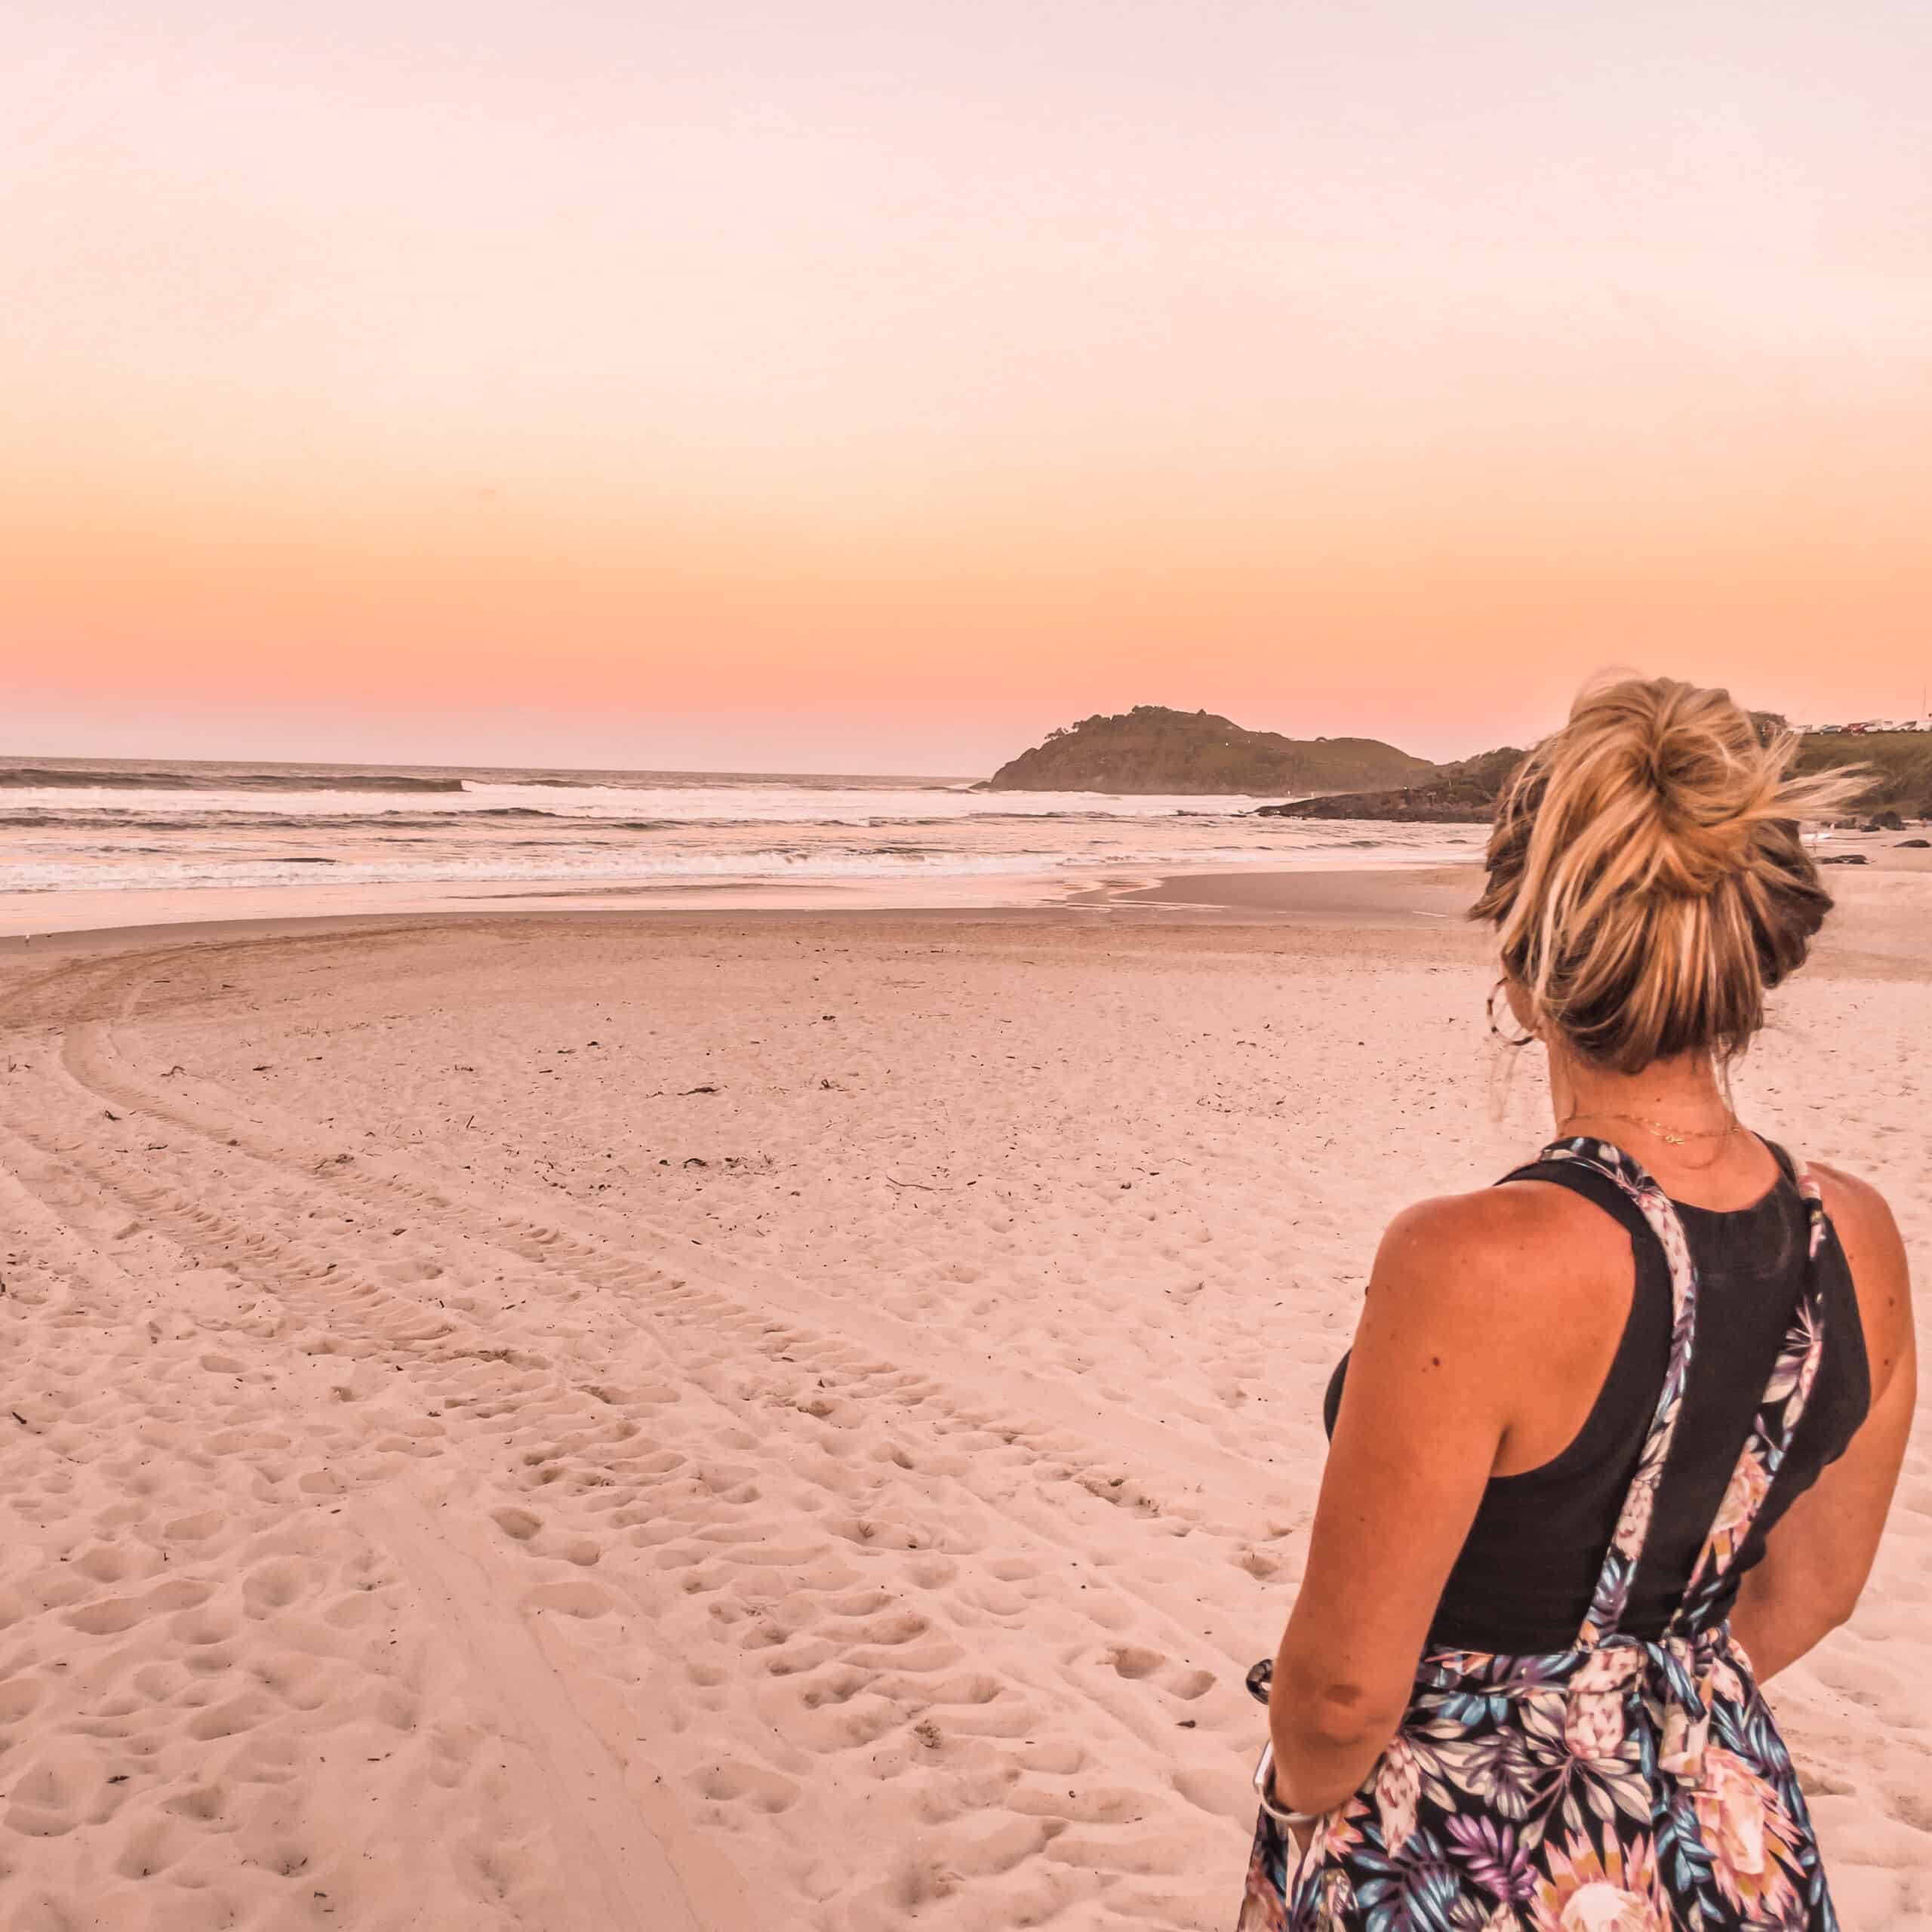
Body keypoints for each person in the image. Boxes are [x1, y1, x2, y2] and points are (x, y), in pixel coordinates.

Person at [1238, 676, 1916, 1932]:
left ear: (1526, 965)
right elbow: (1812, 1592)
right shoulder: (1854, 1236)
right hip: (1726, 1837)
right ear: (1753, 960)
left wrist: (1295, 1811)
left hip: (1461, 1847)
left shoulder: (1470, 1260)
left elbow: (1340, 1695)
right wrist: (1635, 1725)